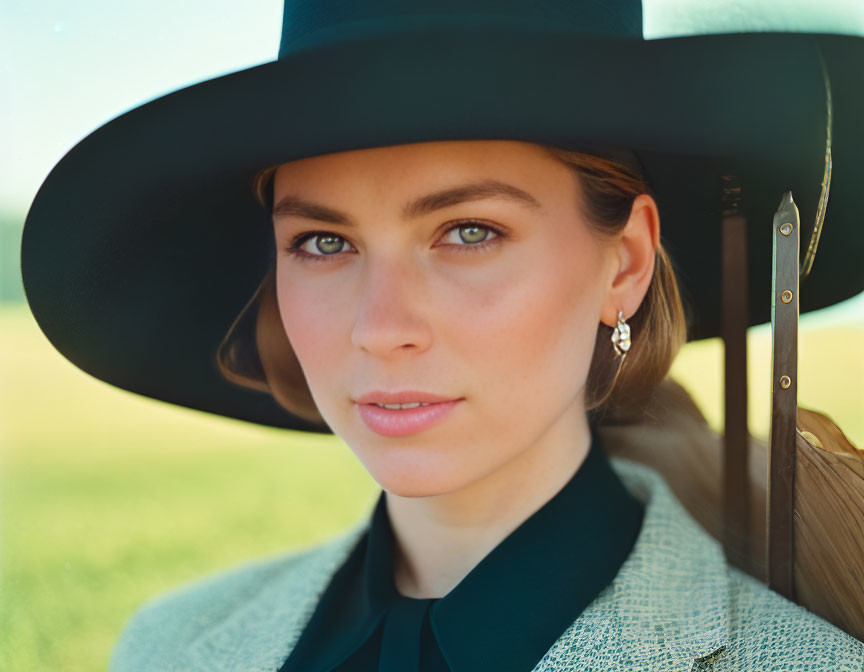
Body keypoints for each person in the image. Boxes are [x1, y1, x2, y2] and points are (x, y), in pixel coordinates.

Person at [18, 1, 864, 670]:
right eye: (323, 242)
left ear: (626, 264)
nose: (381, 329)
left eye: (468, 232)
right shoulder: (172, 648)